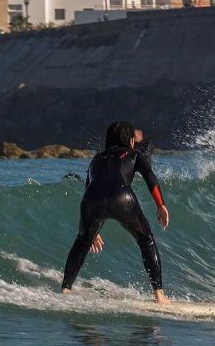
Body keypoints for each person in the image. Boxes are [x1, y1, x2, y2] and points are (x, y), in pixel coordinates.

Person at [61, 122, 170, 304]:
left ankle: (65, 288)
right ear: (130, 141)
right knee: (146, 240)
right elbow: (150, 177)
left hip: (92, 201)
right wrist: (161, 205)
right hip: (122, 197)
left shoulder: (96, 159)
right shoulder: (135, 154)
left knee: (81, 242)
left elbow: (89, 188)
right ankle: (159, 295)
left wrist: (92, 230)